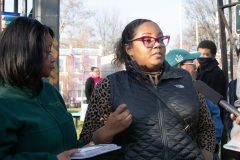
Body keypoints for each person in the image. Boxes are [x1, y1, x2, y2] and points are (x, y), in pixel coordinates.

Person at [79, 19, 215, 160]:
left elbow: (206, 128)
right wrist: (106, 132)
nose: (157, 45)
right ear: (129, 49)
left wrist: (206, 156)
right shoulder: (110, 85)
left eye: (160, 39)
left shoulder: (186, 80)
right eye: (147, 40)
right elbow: (86, 140)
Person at [166, 48, 224, 160]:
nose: (196, 67)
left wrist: (209, 150)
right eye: (192, 62)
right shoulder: (167, 94)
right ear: (179, 66)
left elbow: (211, 124)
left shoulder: (198, 88)